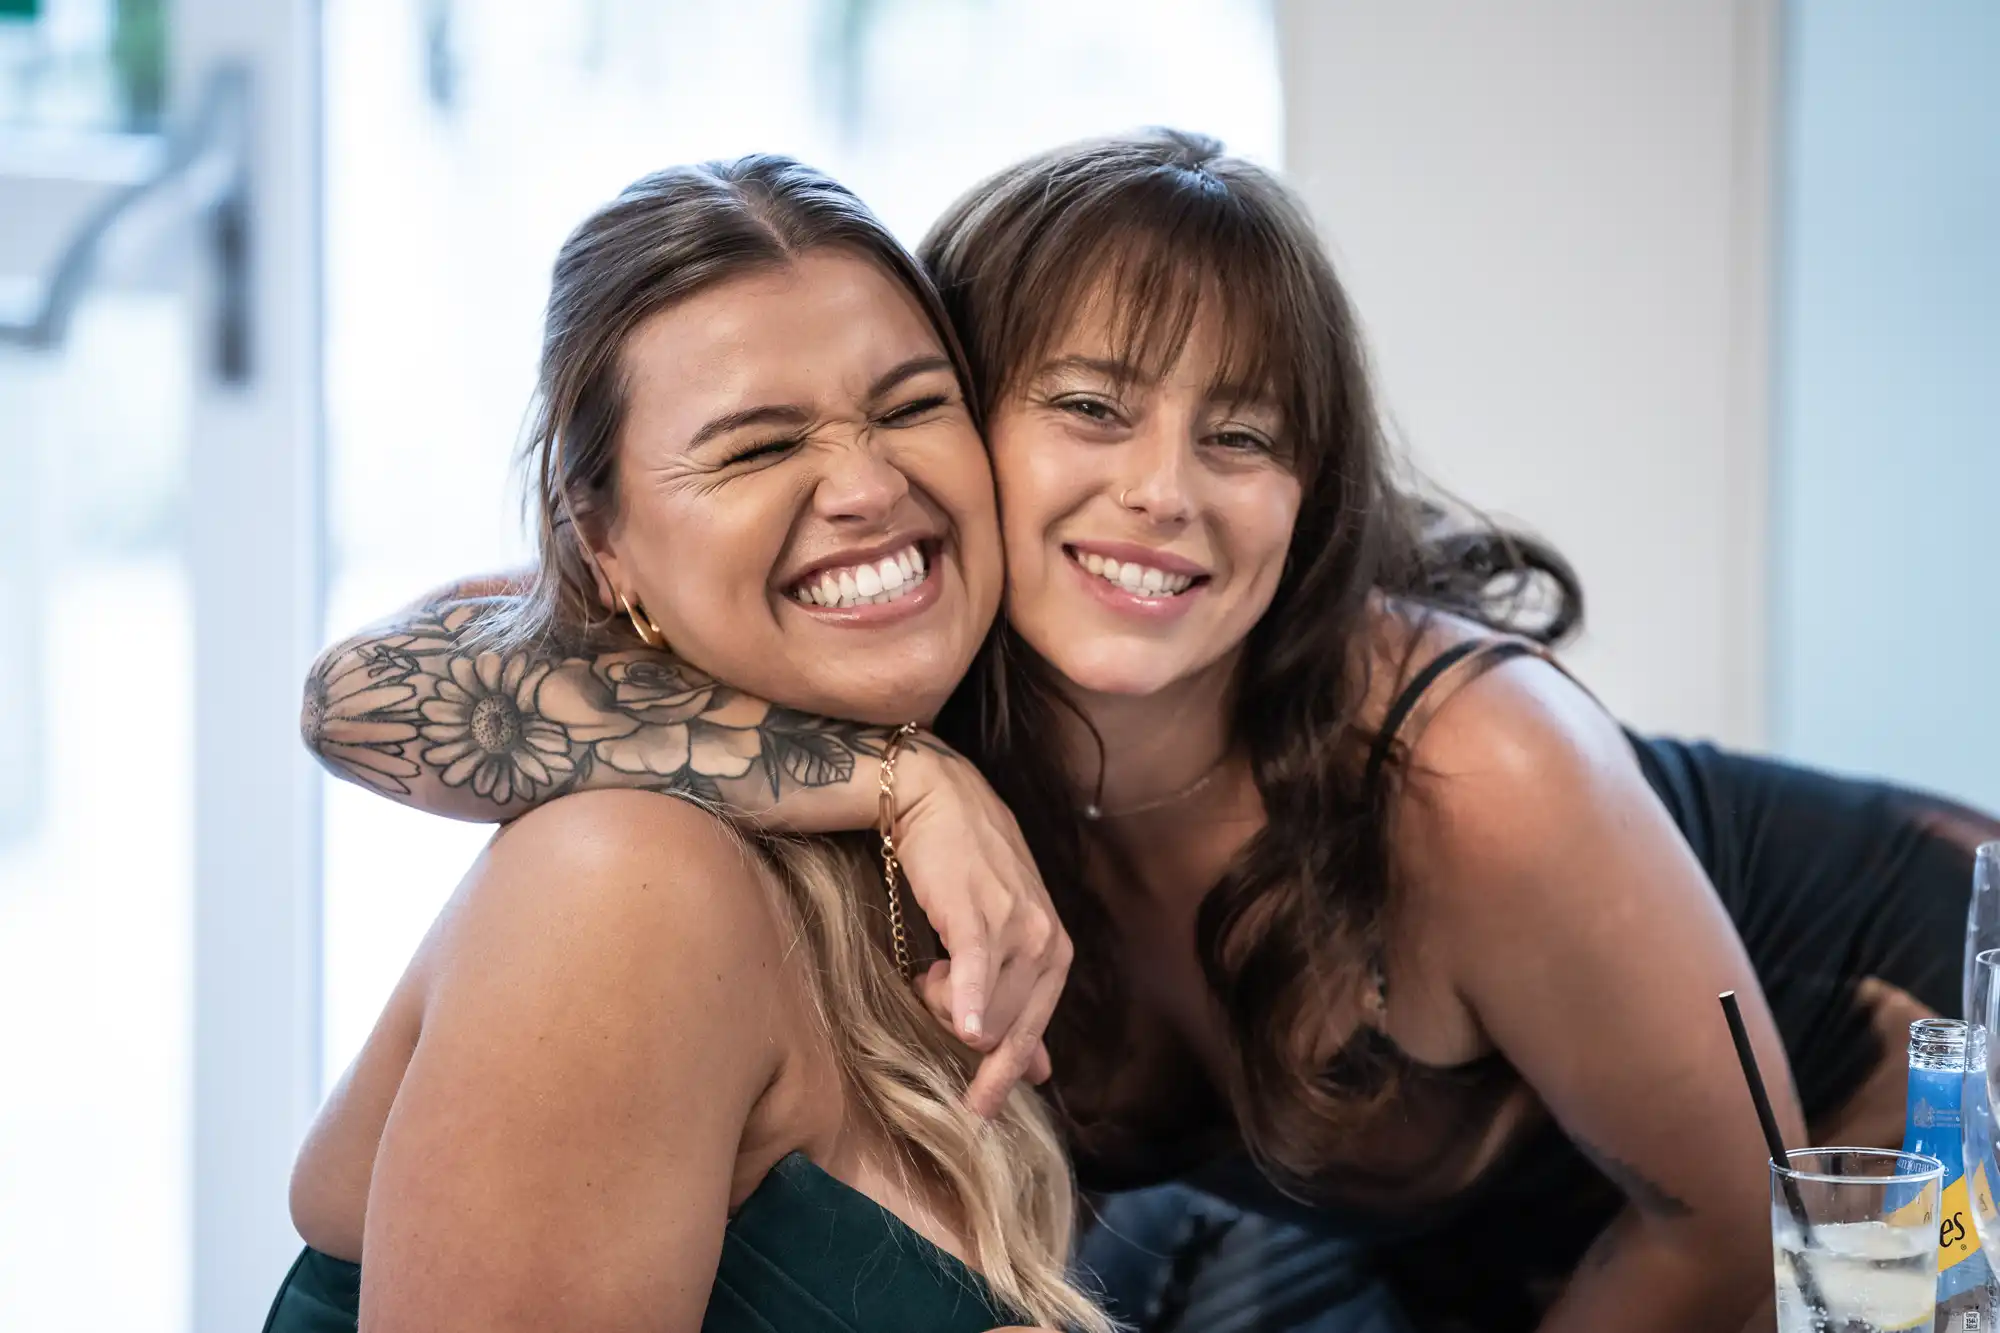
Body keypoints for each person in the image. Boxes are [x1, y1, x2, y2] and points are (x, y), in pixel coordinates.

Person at [304, 131, 2000, 1332]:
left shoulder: (1471, 765)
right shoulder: (888, 678)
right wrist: (887, 770)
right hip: (1437, 1254)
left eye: (1243, 438)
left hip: (1904, 1099)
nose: (1161, 493)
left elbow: (1738, 1222)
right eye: (1090, 408)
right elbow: (374, 685)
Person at [269, 155, 1112, 1333]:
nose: (866, 485)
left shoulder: (933, 854)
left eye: (912, 406)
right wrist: (893, 775)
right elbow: (361, 688)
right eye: (756, 447)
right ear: (601, 543)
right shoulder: (620, 884)